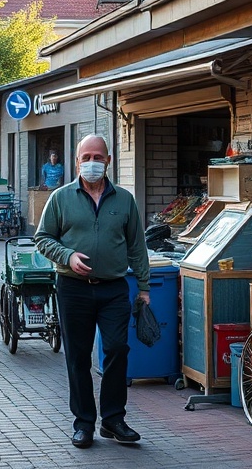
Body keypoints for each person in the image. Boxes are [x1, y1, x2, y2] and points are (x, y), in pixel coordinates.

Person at [34, 134, 151, 449]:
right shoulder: (60, 198)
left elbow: (137, 247)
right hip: (73, 288)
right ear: (76, 162)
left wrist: (144, 288)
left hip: (114, 287)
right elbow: (42, 238)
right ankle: (84, 423)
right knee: (77, 357)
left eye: (97, 157)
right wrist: (67, 255)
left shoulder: (124, 200)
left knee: (117, 349)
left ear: (108, 161)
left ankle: (113, 420)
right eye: (85, 158)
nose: (91, 163)